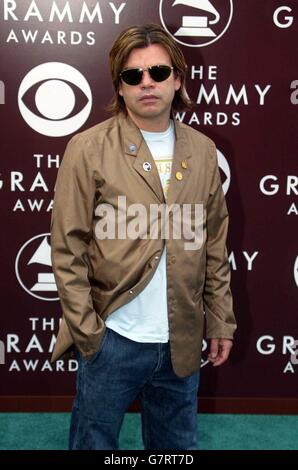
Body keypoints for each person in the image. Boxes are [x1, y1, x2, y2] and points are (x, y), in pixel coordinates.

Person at [50, 23, 237, 450]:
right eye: (133, 75)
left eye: (158, 72)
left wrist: (221, 318)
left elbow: (213, 244)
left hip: (181, 339)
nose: (146, 83)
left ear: (178, 79)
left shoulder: (204, 150)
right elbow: (67, 246)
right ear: (119, 85)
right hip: (113, 336)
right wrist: (89, 332)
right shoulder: (88, 147)